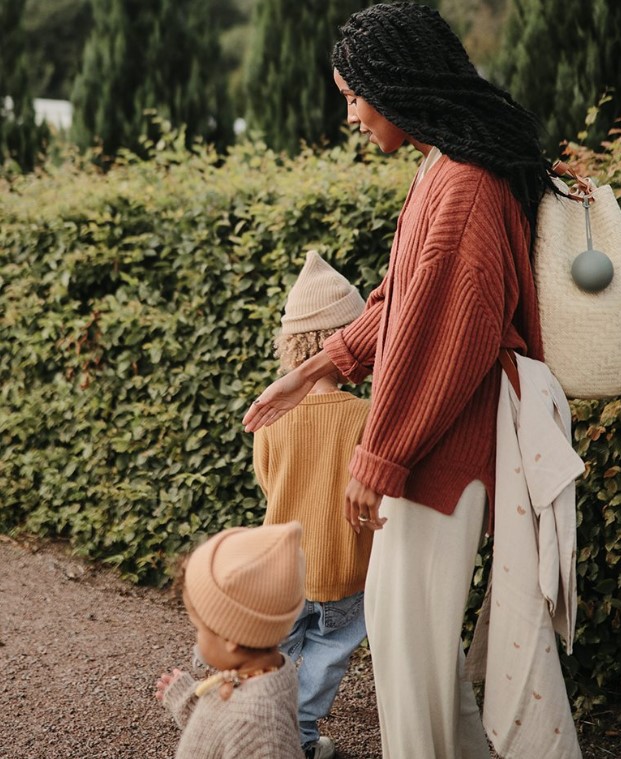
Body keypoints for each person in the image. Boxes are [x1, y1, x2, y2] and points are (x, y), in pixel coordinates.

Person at [242, 3, 554, 756]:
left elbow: (445, 343)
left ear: (394, 83)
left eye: (354, 96)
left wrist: (379, 457)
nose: (350, 115)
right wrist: (312, 370)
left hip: (444, 457)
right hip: (437, 453)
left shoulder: (465, 185)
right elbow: (399, 301)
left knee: (411, 662)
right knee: (420, 661)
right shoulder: (443, 169)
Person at [252, 250, 372, 759]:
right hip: (344, 566)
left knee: (271, 656)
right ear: (351, 339)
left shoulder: (272, 412)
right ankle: (300, 738)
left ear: (290, 344)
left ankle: (259, 734)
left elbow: (268, 481)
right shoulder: (366, 415)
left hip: (281, 567)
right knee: (329, 654)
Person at [155, 523, 305, 759]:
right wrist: (188, 700)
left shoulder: (264, 734)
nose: (197, 638)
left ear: (231, 638)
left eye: (200, 628)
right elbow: (226, 729)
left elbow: (241, 728)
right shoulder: (265, 672)